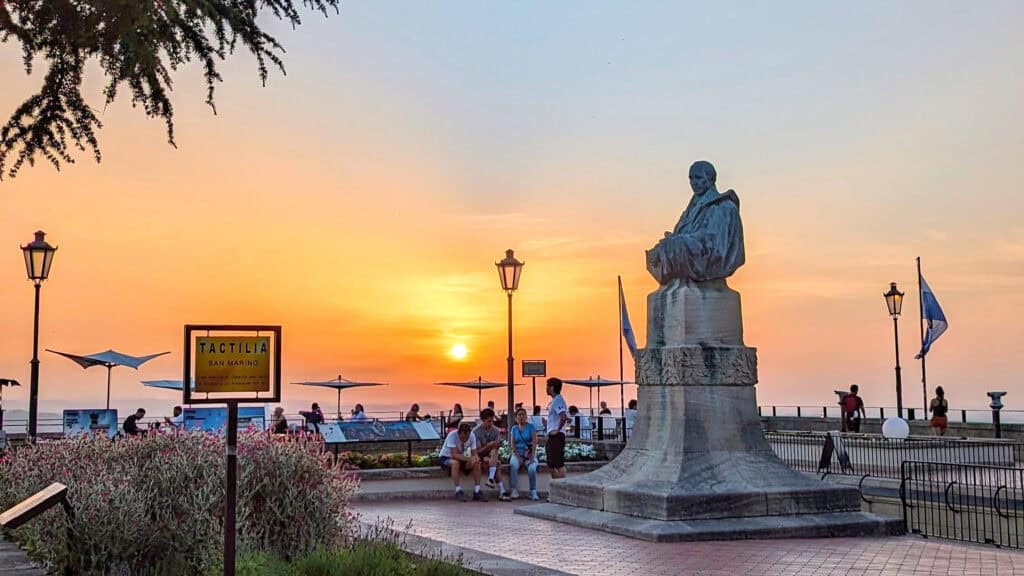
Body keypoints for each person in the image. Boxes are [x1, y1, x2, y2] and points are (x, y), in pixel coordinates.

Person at [645, 160, 744, 285]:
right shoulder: (692, 208)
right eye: (691, 178)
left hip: (707, 253)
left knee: (674, 245)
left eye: (698, 178)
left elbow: (712, 241)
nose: (693, 182)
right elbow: (682, 233)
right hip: (691, 247)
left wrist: (675, 242)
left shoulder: (723, 206)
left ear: (710, 179)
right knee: (660, 249)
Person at [439, 421, 485, 501]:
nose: (465, 439)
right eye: (463, 437)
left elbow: (474, 453)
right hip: (446, 457)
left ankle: (477, 491)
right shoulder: (452, 435)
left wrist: (475, 459)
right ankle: (458, 490)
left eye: (467, 437)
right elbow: (454, 454)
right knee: (455, 463)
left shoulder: (472, 436)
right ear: (459, 433)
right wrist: (470, 459)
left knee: (476, 463)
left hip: (462, 457)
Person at [473, 408, 510, 501]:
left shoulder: (496, 431)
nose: (491, 423)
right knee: (496, 464)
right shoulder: (476, 432)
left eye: (492, 421)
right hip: (480, 457)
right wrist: (488, 445)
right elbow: (478, 451)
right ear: (483, 420)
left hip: (491, 455)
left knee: (494, 453)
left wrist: (496, 445)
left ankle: (491, 479)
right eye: (489, 421)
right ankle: (502, 490)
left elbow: (495, 448)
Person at [509, 407, 539, 500]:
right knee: (513, 466)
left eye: (523, 414)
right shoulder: (514, 429)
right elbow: (513, 444)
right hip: (517, 453)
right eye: (519, 415)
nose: (521, 416)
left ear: (526, 416)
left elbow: (534, 442)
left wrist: (532, 456)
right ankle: (514, 490)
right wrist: (518, 457)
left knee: (532, 469)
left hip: (529, 453)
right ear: (516, 417)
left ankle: (533, 491)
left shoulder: (531, 427)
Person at [546, 377, 569, 479]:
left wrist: (557, 430)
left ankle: (562, 487)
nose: (546, 389)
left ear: (552, 387)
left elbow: (563, 416)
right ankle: (556, 485)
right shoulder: (555, 401)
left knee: (558, 464)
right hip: (553, 436)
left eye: (547, 386)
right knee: (552, 463)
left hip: (557, 437)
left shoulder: (558, 400)